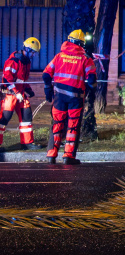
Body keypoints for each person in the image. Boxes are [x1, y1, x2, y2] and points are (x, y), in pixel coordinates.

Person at [43, 30, 96, 165]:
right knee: (73, 126)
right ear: (81, 43)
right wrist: (91, 90)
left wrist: (48, 89)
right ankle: (68, 156)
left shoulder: (59, 56)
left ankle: (51, 155)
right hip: (76, 98)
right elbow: (91, 79)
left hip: (59, 97)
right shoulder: (85, 58)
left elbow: (46, 74)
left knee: (57, 124)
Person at [1, 38, 42, 150]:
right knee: (4, 119)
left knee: (26, 117)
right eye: (33, 52)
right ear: (27, 49)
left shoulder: (26, 62)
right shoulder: (13, 61)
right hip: (10, 95)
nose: (34, 55)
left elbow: (21, 79)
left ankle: (27, 143)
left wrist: (28, 89)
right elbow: (7, 79)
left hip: (21, 94)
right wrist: (16, 92)